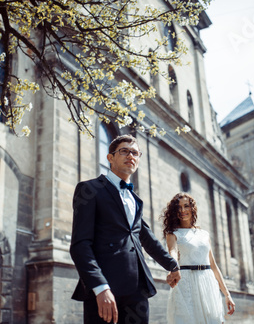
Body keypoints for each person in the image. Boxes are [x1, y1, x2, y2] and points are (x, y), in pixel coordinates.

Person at [70, 134, 181, 324]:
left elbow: (147, 238)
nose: (131, 156)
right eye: (124, 151)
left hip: (137, 288)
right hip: (105, 286)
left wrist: (172, 265)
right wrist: (100, 287)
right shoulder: (89, 189)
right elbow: (80, 245)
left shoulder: (135, 200)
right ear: (110, 157)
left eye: (135, 153)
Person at [161, 193, 235, 324]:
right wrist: (172, 268)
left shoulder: (204, 234)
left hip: (207, 283)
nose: (183, 210)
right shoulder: (172, 234)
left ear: (192, 208)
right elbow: (172, 251)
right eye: (178, 208)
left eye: (186, 206)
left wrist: (227, 294)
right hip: (186, 283)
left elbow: (213, 265)